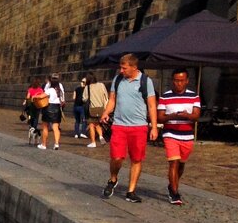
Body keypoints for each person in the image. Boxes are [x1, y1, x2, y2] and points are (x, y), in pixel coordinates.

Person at [100, 53, 158, 202]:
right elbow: (112, 99)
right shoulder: (118, 79)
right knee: (116, 157)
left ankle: (131, 191)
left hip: (139, 127)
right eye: (121, 67)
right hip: (119, 125)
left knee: (136, 159)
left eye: (124, 68)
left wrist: (154, 126)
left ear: (134, 67)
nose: (121, 70)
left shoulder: (145, 81)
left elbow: (151, 105)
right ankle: (113, 179)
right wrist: (106, 112)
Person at [157, 68, 201, 205]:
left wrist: (186, 115)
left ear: (187, 81)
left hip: (187, 135)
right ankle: (174, 193)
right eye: (176, 80)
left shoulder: (194, 96)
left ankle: (172, 184)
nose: (179, 84)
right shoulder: (165, 97)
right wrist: (172, 116)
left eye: (181, 81)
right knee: (173, 162)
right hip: (170, 133)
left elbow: (196, 115)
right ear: (172, 81)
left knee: (181, 164)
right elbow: (160, 117)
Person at [38, 74, 65, 150]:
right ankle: (56, 144)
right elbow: (63, 101)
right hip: (57, 108)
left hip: (48, 108)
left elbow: (41, 96)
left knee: (45, 127)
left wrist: (35, 96)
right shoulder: (60, 91)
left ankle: (44, 144)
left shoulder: (50, 89)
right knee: (56, 127)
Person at [84, 72, 109, 148]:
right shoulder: (101, 85)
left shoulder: (87, 87)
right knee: (97, 124)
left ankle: (93, 142)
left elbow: (84, 99)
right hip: (101, 108)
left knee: (91, 125)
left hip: (92, 109)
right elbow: (106, 95)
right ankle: (101, 137)